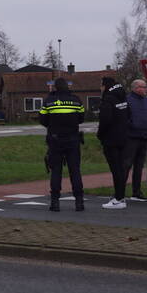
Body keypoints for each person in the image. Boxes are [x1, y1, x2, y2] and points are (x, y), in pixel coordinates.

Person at [38, 77, 86, 212]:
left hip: (55, 140)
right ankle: (79, 202)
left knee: (56, 171)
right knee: (75, 171)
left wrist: (53, 125)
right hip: (73, 139)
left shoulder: (49, 100)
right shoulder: (76, 100)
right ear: (67, 87)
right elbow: (81, 118)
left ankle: (55, 203)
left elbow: (42, 119)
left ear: (55, 87)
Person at [97, 76, 130, 210]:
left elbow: (105, 120)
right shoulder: (122, 97)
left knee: (116, 169)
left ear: (105, 86)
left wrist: (100, 135)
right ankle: (120, 195)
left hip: (111, 139)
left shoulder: (108, 99)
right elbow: (129, 114)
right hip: (123, 137)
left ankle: (119, 198)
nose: (100, 88)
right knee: (121, 169)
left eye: (101, 85)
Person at [122, 78, 147, 202]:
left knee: (139, 166)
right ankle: (119, 192)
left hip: (145, 137)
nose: (146, 89)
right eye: (143, 87)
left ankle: (136, 192)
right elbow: (124, 119)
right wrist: (132, 126)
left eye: (146, 87)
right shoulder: (127, 101)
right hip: (131, 138)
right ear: (136, 88)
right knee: (126, 165)